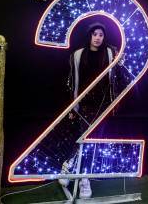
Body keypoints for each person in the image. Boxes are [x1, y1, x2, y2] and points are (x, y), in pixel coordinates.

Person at [58, 22, 119, 199]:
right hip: (84, 104)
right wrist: (73, 105)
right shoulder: (78, 55)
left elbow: (116, 77)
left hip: (102, 104)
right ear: (89, 36)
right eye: (95, 34)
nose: (98, 37)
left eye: (101, 34)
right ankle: (78, 173)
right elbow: (72, 82)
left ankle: (75, 170)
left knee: (92, 140)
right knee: (83, 139)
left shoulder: (110, 53)